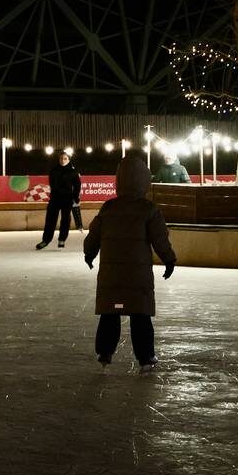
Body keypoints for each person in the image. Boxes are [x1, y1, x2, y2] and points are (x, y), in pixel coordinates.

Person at [84, 156, 176, 372]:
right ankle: (146, 358)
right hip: (138, 275)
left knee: (110, 313)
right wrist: (169, 259)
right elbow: (160, 239)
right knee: (140, 315)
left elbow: (93, 235)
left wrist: (89, 254)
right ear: (145, 181)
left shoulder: (109, 207)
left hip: (111, 274)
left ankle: (104, 353)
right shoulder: (148, 209)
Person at [35, 151, 81, 250]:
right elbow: (53, 184)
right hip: (55, 198)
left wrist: (75, 197)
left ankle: (62, 239)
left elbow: (77, 186)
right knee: (50, 220)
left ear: (69, 160)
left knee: (65, 220)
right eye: (61, 158)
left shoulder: (73, 171)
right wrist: (58, 193)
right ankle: (46, 240)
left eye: (65, 158)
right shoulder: (54, 170)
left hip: (67, 199)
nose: (63, 160)